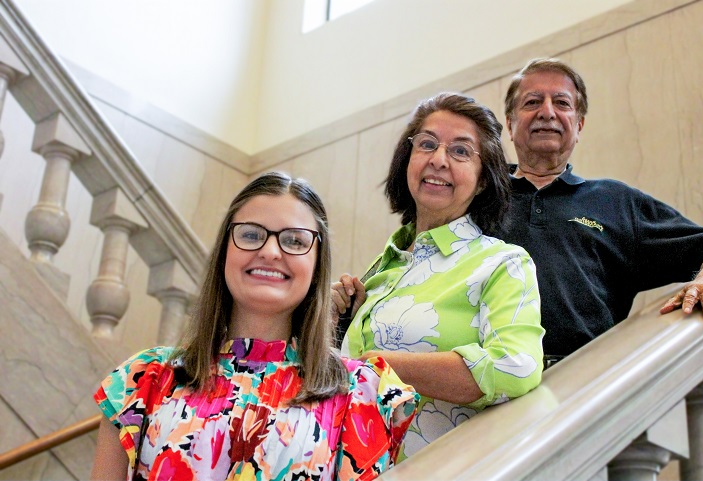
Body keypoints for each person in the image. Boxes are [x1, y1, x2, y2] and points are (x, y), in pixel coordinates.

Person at [90, 172, 418, 481]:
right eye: (250, 235)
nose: (271, 251)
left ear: (317, 265)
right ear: (224, 252)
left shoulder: (361, 391)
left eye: (294, 240)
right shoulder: (142, 379)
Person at [332, 92, 545, 460]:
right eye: (427, 144)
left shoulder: (502, 262)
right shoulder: (381, 269)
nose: (438, 160)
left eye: (461, 151)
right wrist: (336, 323)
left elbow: (516, 366)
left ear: (482, 181)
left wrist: (377, 366)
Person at [501, 57, 703, 364]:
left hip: (586, 381)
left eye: (561, 103)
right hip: (490, 386)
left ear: (578, 125)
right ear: (509, 124)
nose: (547, 112)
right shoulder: (481, 195)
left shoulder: (615, 201)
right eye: (532, 101)